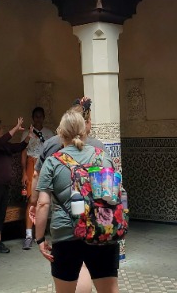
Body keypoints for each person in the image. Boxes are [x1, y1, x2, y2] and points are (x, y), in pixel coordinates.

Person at [34, 110, 119, 293]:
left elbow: (42, 204)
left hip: (66, 235)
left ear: (60, 134)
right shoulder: (103, 157)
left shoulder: (52, 162)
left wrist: (40, 238)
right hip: (103, 231)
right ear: (85, 130)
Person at [0, 117, 29, 258]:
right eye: (0, 129)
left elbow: (18, 147)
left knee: (0, 214)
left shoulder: (4, 145)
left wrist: (28, 137)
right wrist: (15, 128)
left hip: (4, 186)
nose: (2, 131)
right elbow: (3, 139)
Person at [21, 106, 54, 250]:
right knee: (31, 200)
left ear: (44, 117)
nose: (38, 119)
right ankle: (28, 235)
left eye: (41, 116)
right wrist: (23, 173)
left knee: (45, 199)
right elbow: (23, 153)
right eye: (36, 116)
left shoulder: (49, 134)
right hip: (31, 165)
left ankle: (40, 234)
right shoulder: (27, 133)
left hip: (46, 166)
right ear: (33, 118)